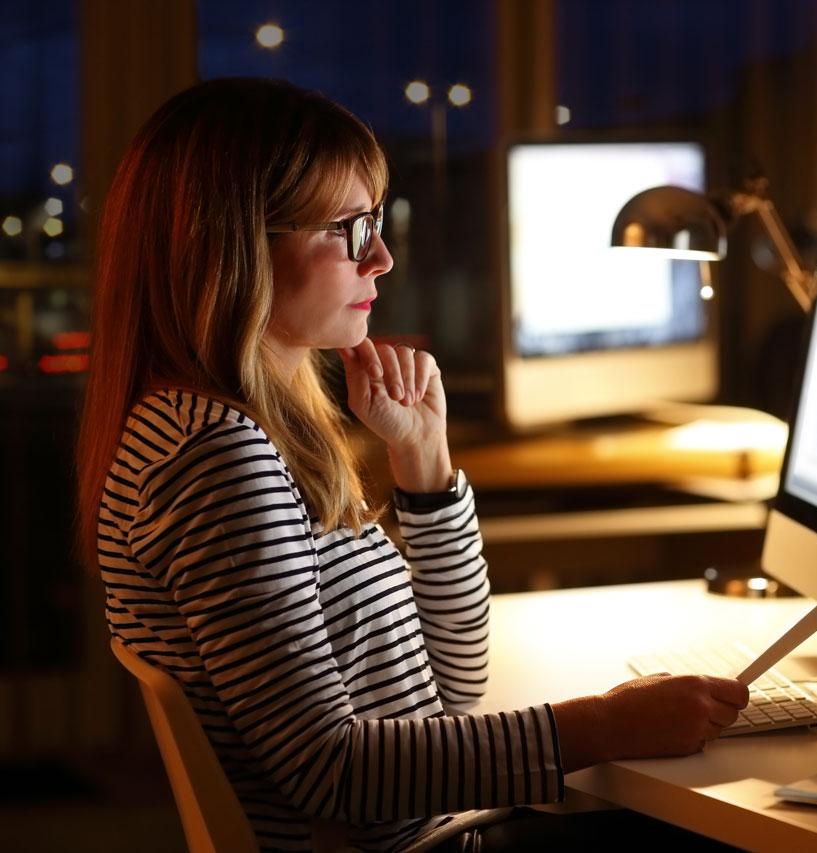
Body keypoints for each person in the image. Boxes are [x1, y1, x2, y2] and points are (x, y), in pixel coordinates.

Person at [77, 77, 749, 852]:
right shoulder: (216, 457)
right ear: (233, 244)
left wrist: (423, 461)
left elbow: (450, 687)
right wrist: (599, 725)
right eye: (350, 228)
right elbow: (331, 772)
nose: (384, 258)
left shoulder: (240, 431)